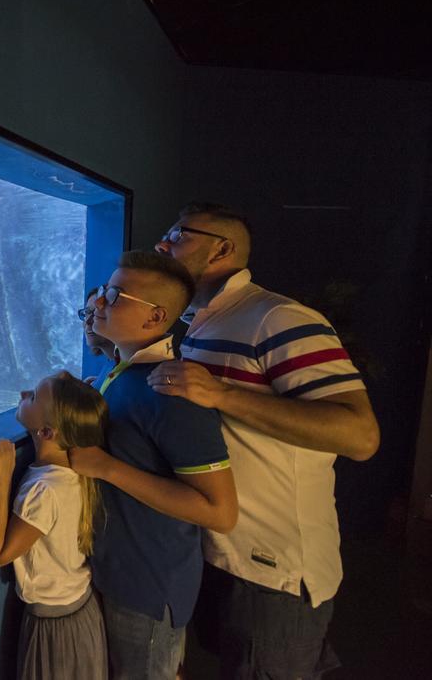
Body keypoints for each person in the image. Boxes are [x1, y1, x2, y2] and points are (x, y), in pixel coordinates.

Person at [150, 202, 380, 678]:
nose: (162, 244)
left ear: (223, 249)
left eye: (177, 234)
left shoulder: (277, 317)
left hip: (273, 571)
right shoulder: (202, 323)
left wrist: (220, 393)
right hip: (225, 555)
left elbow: (359, 436)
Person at [69, 250, 237, 679]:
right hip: (123, 571)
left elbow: (220, 511)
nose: (99, 304)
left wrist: (106, 467)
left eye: (114, 295)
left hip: (147, 583)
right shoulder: (122, 373)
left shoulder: (170, 390)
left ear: (156, 316)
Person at [0, 370, 109, 680]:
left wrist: (2, 476)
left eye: (35, 397)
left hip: (55, 629)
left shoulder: (44, 489)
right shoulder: (75, 471)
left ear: (47, 433)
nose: (25, 392)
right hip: (81, 613)